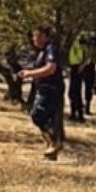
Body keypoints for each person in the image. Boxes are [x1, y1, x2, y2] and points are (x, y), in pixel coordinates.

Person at [18, 25, 65, 160]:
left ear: (45, 37)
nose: (35, 39)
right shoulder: (41, 51)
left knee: (37, 116)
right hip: (44, 89)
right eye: (33, 36)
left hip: (52, 89)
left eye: (38, 36)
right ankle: (51, 151)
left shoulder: (51, 49)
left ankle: (55, 142)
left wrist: (29, 73)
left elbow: (51, 69)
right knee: (46, 118)